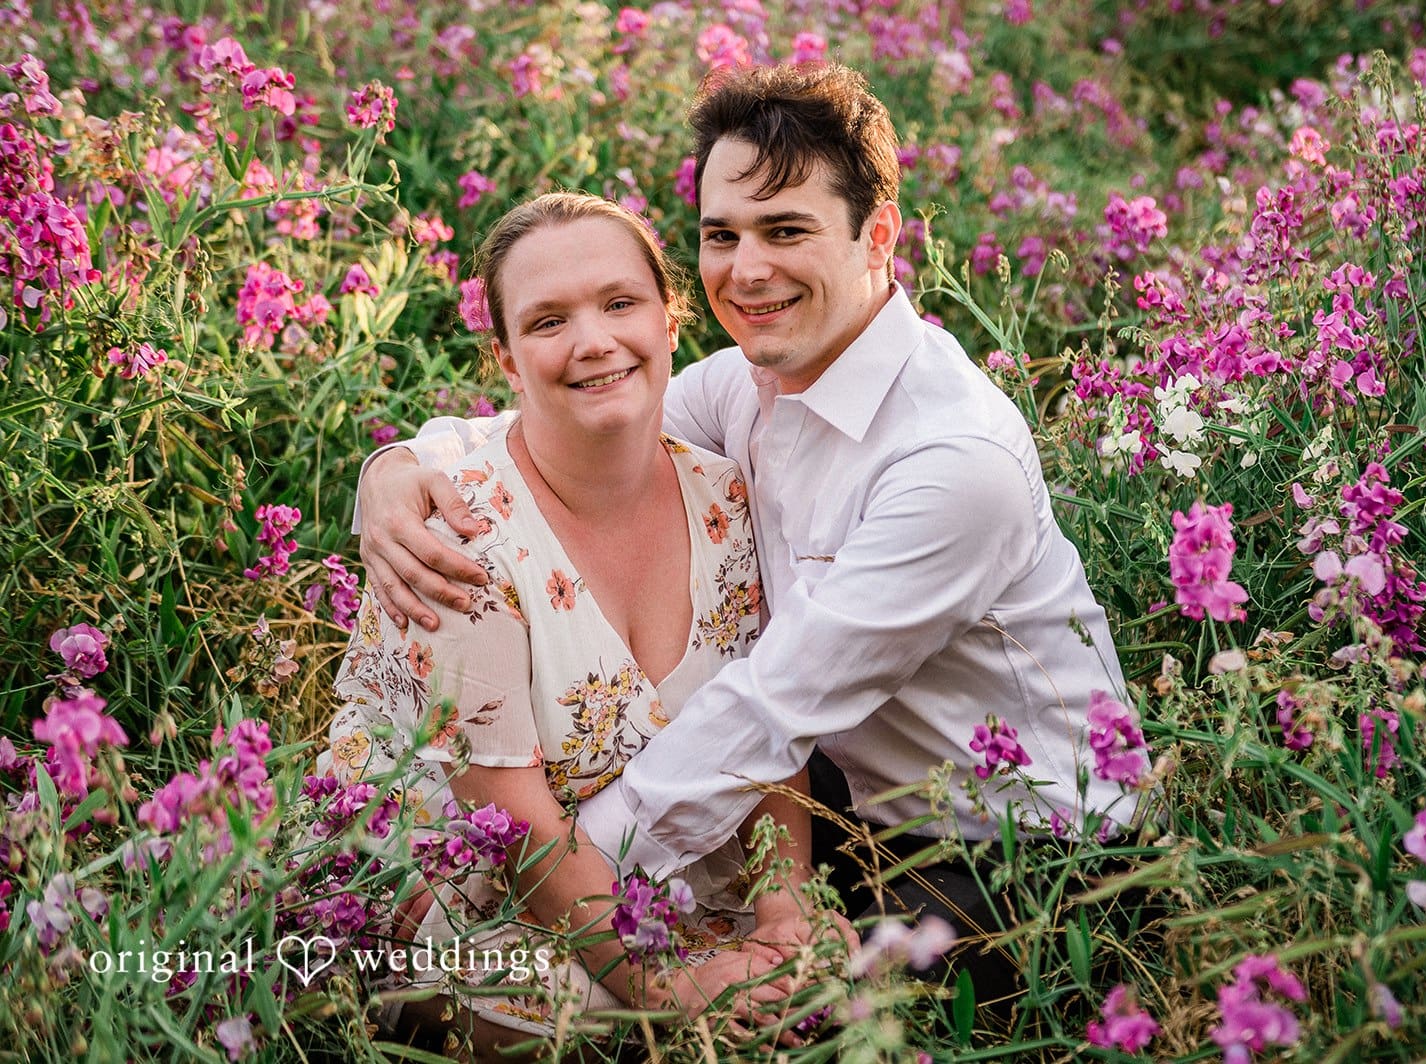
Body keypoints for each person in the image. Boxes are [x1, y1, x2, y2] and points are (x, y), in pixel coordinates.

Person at [357, 63, 1146, 992]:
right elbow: (561, 437)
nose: (747, 270)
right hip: (839, 793)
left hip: (1013, 855)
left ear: (878, 235)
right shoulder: (752, 381)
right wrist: (401, 468)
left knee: (773, 1003)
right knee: (659, 962)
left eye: (785, 231)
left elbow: (770, 710)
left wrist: (535, 877)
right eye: (721, 235)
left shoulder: (951, 462)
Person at [322, 191, 823, 1051]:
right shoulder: (461, 542)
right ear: (508, 362)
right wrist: (667, 984)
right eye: (548, 321)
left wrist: (785, 908)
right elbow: (514, 828)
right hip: (466, 881)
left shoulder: (726, 497)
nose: (593, 341)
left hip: (656, 863)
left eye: (619, 303)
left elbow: (767, 726)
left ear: (671, 320)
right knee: (566, 1021)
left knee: (819, 975)